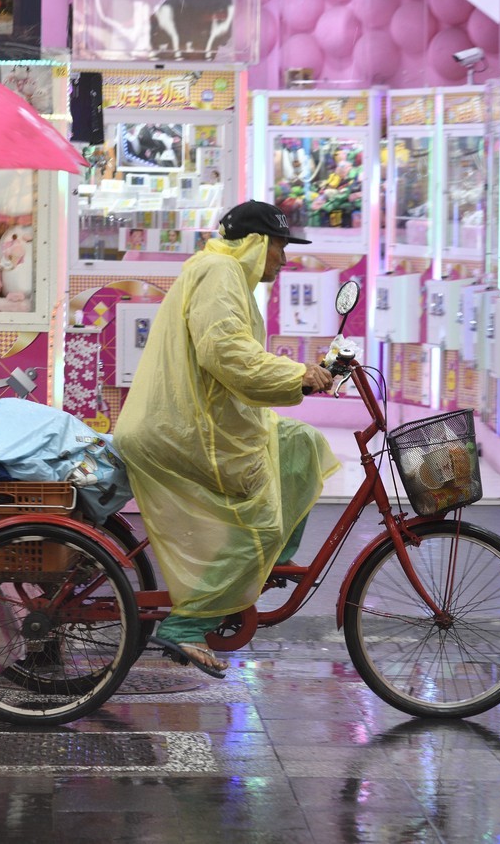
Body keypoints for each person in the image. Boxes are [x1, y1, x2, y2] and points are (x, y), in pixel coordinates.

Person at [112, 200, 339, 674]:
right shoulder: (221, 273)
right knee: (263, 521)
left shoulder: (223, 271)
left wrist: (295, 373)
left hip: (192, 419)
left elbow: (231, 354)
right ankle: (188, 625)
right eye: (279, 245)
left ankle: (257, 569)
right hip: (184, 427)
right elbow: (227, 353)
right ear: (257, 243)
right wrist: (296, 375)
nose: (283, 257)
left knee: (301, 444)